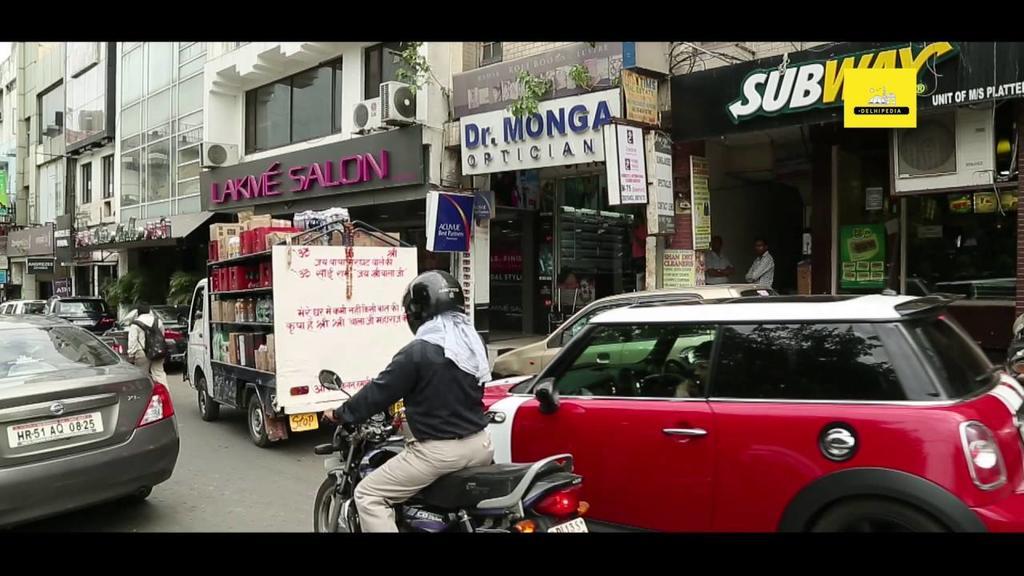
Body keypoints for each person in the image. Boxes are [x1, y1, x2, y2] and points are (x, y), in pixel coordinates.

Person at [323, 270, 493, 532]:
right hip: (481, 445)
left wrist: (341, 413)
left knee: (369, 495)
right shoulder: (472, 344)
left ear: (418, 311)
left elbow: (378, 392)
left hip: (440, 454)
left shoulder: (418, 351)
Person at [126, 302, 167, 386]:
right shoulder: (158, 321)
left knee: (142, 376)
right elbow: (162, 335)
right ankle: (165, 395)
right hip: (157, 351)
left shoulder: (135, 324)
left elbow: (132, 341)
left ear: (138, 312)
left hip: (142, 352)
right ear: (149, 311)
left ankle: (145, 396)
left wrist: (131, 355)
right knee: (159, 374)